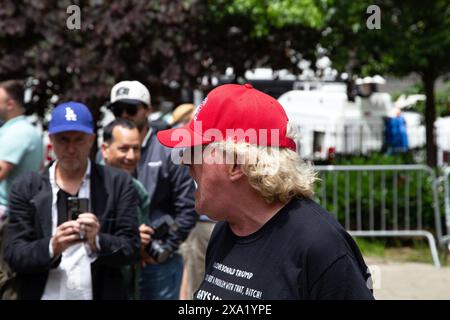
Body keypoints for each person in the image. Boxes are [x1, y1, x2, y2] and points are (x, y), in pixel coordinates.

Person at [156, 83, 374, 300]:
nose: (185, 160)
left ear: (235, 165)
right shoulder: (225, 230)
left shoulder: (319, 244)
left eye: (195, 151)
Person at [4, 101, 140, 300]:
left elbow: (131, 249)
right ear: (51, 140)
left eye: (78, 140)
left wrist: (97, 241)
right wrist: (52, 246)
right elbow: (14, 254)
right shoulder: (27, 187)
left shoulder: (118, 184)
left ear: (91, 140)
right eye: (63, 140)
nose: (71, 148)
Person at [107, 81, 197, 300]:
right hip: (118, 260)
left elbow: (188, 207)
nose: (124, 115)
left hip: (157, 264)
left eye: (131, 108)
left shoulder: (167, 150)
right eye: (118, 110)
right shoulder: (106, 152)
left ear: (147, 110)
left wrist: (163, 250)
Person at [0, 79, 43, 299]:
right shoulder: (14, 130)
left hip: (7, 218)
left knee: (5, 280)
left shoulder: (19, 132)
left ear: (10, 103)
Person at [101, 118, 150, 299]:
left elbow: (139, 250)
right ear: (105, 150)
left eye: (136, 149)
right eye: (124, 148)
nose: (130, 156)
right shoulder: (87, 186)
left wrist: (142, 241)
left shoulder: (139, 190)